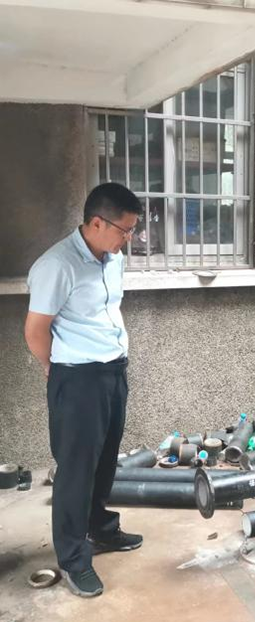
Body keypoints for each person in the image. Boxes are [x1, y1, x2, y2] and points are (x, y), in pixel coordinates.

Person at [25, 183, 144, 598]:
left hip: (113, 372)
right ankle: (74, 558)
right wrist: (53, 368)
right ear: (97, 222)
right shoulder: (57, 265)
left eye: (132, 230)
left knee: (105, 461)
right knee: (76, 470)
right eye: (124, 230)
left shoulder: (113, 259)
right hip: (77, 378)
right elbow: (35, 330)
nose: (128, 239)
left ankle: (100, 529)